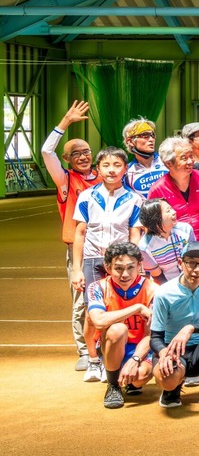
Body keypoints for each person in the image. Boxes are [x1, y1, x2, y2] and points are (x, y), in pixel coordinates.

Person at [71, 147, 143, 383]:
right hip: (93, 259)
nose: (111, 170)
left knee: (117, 309)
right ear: (98, 168)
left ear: (125, 168)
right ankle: (93, 360)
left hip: (121, 263)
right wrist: (77, 269)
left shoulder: (134, 199)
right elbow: (80, 233)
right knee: (93, 314)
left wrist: (135, 266)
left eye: (117, 165)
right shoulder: (86, 196)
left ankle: (110, 356)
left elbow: (134, 235)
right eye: (106, 165)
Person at [41, 100, 99, 372]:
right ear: (67, 160)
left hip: (106, 247)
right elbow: (46, 150)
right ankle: (84, 350)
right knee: (81, 299)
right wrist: (65, 122)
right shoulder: (65, 180)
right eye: (76, 153)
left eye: (86, 151)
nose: (83, 156)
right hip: (78, 248)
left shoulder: (104, 177)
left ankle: (105, 346)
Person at [149, 241, 199, 411]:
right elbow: (155, 337)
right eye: (191, 263)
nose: (197, 269)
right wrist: (164, 353)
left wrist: (191, 328)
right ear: (181, 263)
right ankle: (172, 388)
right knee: (168, 380)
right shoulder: (164, 293)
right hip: (173, 350)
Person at [86, 241, 157, 409]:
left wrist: (135, 360)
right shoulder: (98, 287)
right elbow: (99, 321)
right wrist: (137, 308)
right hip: (109, 344)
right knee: (117, 329)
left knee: (140, 376)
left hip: (138, 347)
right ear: (107, 267)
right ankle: (113, 385)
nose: (125, 274)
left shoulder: (153, 290)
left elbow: (151, 335)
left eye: (130, 267)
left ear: (140, 266)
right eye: (118, 268)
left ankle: (129, 378)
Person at [147, 137, 199, 240]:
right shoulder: (157, 189)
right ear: (168, 163)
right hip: (174, 246)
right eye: (184, 158)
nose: (190, 161)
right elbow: (152, 226)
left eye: (191, 156)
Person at [137, 199, 193, 282]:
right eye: (168, 211)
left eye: (171, 208)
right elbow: (158, 276)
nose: (174, 212)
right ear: (156, 219)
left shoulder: (186, 230)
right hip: (166, 284)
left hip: (190, 278)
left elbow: (194, 259)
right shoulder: (144, 247)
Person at [122, 118, 166, 196]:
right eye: (145, 136)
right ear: (130, 141)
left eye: (152, 135)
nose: (151, 139)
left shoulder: (167, 161)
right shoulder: (126, 172)